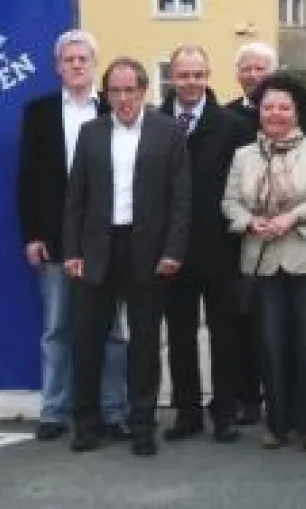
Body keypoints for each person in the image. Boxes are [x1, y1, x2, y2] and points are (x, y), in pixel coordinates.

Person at [64, 58, 189, 457]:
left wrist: (173, 251)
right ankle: (85, 424)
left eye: (129, 90)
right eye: (115, 91)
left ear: (143, 90)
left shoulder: (169, 133)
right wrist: (71, 252)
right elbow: (75, 199)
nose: (122, 99)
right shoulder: (91, 133)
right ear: (108, 94)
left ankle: (142, 425)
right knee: (87, 342)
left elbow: (181, 201)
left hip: (147, 252)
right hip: (97, 251)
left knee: (145, 344)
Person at [16, 30, 129, 442]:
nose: (77, 65)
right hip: (55, 236)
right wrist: (32, 234)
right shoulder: (39, 112)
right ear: (57, 66)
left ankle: (114, 410)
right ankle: (53, 409)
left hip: (106, 238)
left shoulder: (113, 109)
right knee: (57, 327)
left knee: (112, 331)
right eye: (69, 59)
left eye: (84, 59)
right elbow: (27, 178)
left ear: (94, 65)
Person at [222, 72, 306, 456]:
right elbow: (229, 203)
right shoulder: (244, 154)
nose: (275, 114)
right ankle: (277, 422)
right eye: (268, 107)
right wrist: (248, 222)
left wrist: (293, 218)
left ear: (297, 111)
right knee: (270, 346)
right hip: (262, 261)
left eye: (284, 107)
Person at [158, 45, 248, 444]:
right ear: (172, 78)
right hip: (171, 247)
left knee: (224, 334)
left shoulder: (230, 125)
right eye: (184, 74)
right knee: (179, 334)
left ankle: (225, 412)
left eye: (198, 75)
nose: (191, 82)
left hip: (219, 247)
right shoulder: (155, 122)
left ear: (208, 76)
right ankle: (187, 411)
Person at [224, 41, 277, 425]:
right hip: (239, 233)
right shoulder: (227, 118)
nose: (253, 75)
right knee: (242, 320)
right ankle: (247, 396)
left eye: (261, 68)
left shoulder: (291, 112)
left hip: (285, 232)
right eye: (247, 68)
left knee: (279, 321)